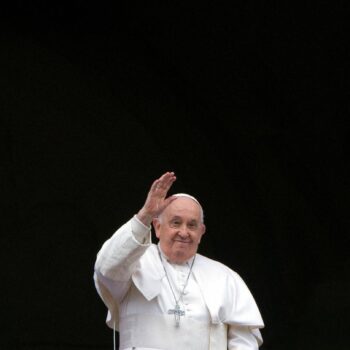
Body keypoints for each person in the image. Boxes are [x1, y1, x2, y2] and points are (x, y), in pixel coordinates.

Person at [94, 172, 264, 350]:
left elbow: (244, 342)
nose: (184, 232)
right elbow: (106, 268)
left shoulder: (226, 277)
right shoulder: (133, 263)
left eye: (192, 225)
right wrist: (145, 215)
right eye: (176, 223)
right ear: (158, 227)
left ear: (201, 232)